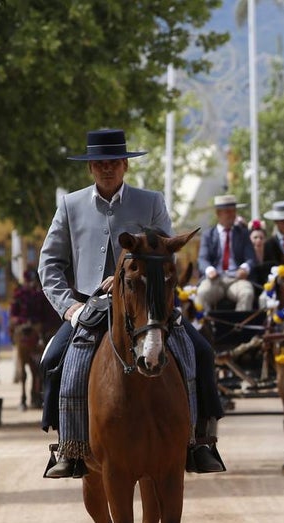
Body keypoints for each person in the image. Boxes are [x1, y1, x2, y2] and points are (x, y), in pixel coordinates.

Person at [38, 128, 225, 478]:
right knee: (53, 359)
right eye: (100, 163)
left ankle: (198, 442)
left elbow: (166, 250)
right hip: (90, 308)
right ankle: (69, 446)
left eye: (114, 162)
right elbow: (49, 265)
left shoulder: (150, 202)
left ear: (125, 165)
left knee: (201, 352)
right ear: (90, 167)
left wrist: (128, 275)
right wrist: (68, 307)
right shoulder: (70, 205)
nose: (107, 168)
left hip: (147, 303)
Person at [195, 194, 256, 311]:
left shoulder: (243, 233)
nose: (232, 215)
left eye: (234, 211)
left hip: (237, 279)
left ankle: (240, 323)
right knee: (202, 293)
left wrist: (244, 268)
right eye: (228, 212)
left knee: (247, 292)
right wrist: (209, 270)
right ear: (218, 213)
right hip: (215, 280)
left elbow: (251, 258)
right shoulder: (208, 235)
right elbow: (202, 259)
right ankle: (206, 323)